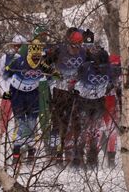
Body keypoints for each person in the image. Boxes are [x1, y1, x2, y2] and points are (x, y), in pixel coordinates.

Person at [0, 40, 48, 166]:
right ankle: (16, 152)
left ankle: (31, 152)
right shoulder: (18, 61)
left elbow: (51, 75)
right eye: (34, 56)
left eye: (39, 56)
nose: (36, 59)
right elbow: (4, 76)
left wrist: (54, 75)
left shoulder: (42, 64)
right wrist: (6, 88)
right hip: (18, 94)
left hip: (32, 94)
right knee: (21, 122)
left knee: (32, 122)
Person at [45, 27, 87, 161]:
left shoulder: (84, 52)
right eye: (73, 46)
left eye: (78, 46)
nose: (75, 49)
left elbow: (89, 67)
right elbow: (44, 64)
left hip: (74, 91)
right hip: (58, 90)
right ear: (68, 42)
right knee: (56, 122)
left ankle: (67, 150)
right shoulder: (59, 50)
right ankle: (54, 151)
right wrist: (52, 72)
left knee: (69, 122)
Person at [71, 45, 115, 168]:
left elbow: (113, 81)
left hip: (98, 102)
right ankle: (77, 158)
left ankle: (92, 158)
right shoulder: (85, 67)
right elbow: (75, 80)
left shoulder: (109, 69)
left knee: (95, 130)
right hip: (84, 101)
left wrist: (110, 88)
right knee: (83, 129)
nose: (101, 69)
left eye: (103, 66)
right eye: (98, 66)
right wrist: (75, 89)